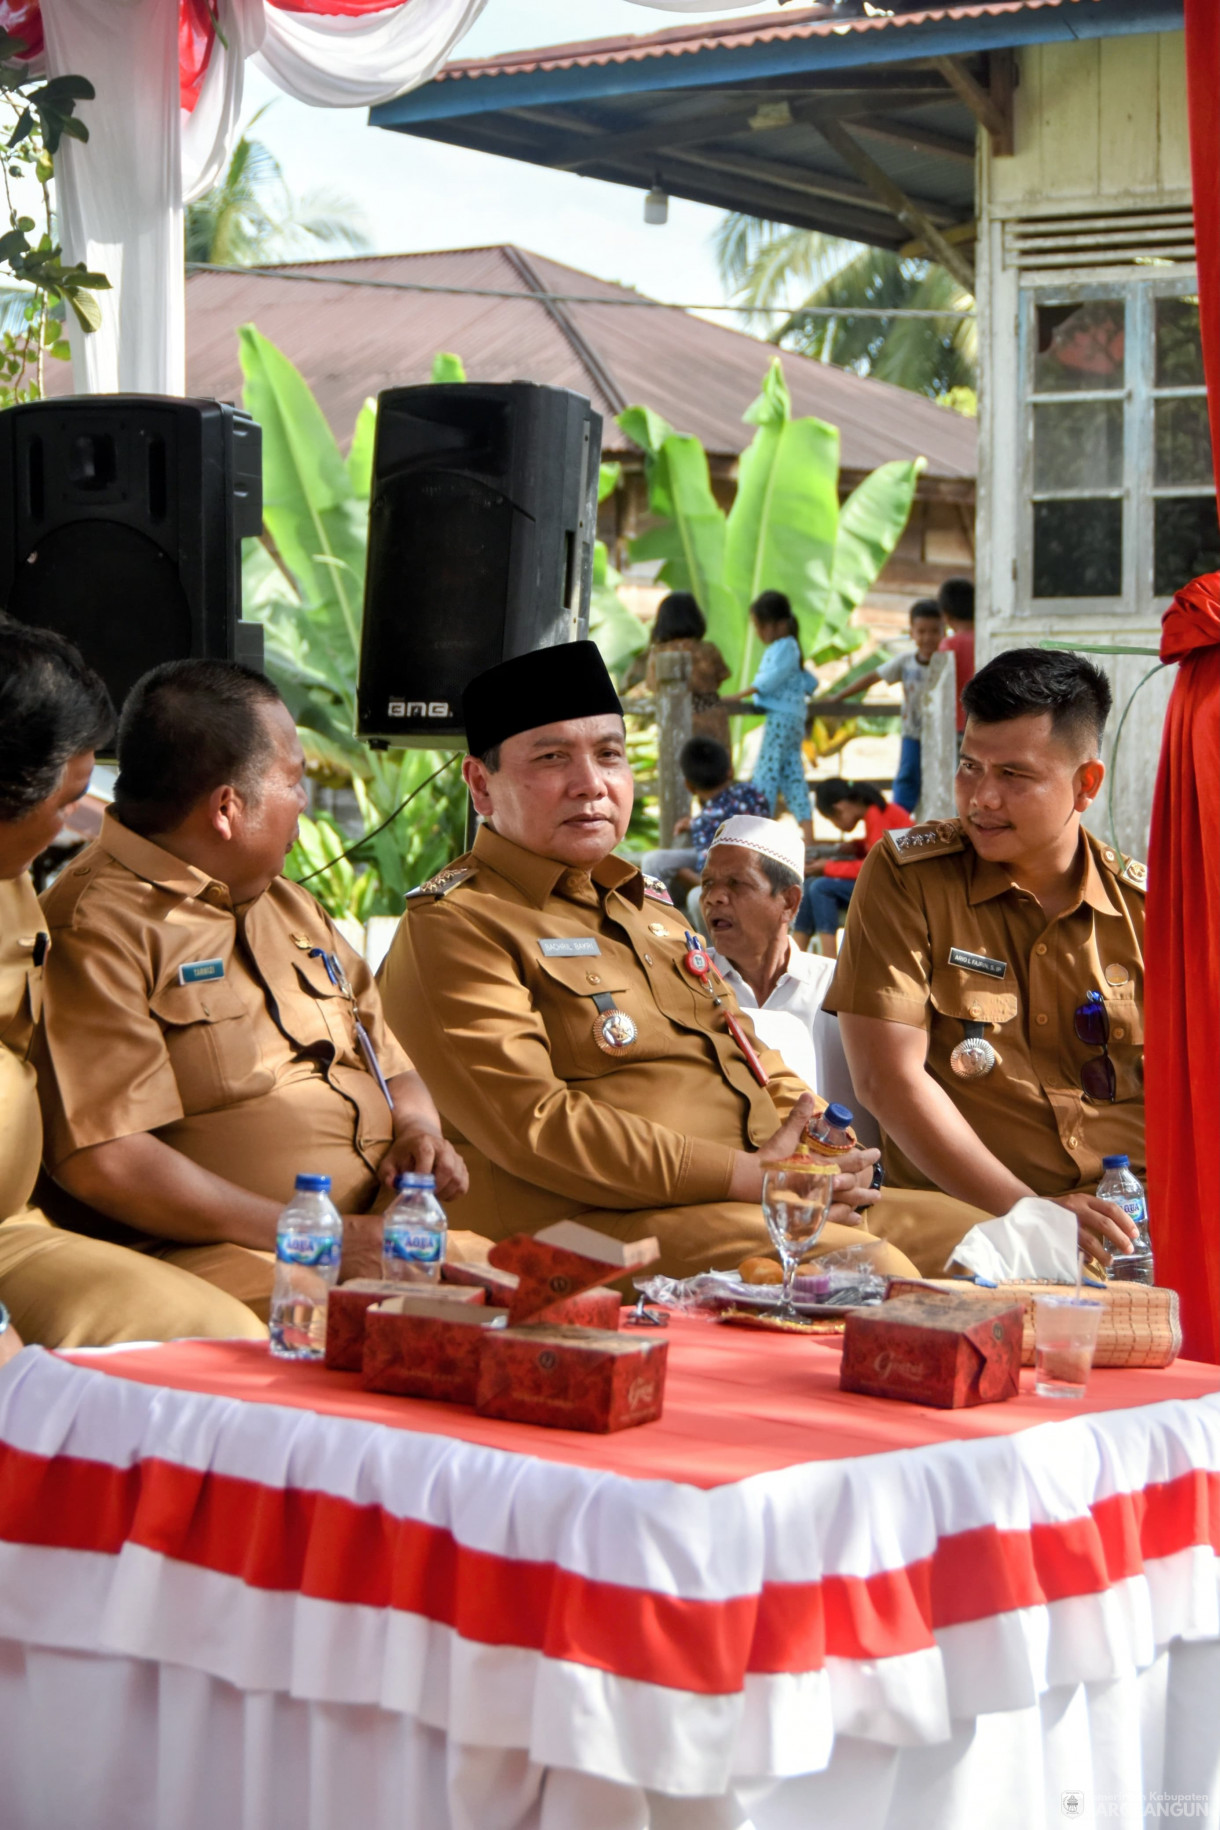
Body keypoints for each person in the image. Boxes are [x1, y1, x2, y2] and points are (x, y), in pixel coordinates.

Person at [375, 640, 938, 1282]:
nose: (591, 784)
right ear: (481, 784)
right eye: (553, 757)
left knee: (994, 1233)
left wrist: (825, 1147)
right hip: (583, 1224)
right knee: (868, 1268)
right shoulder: (457, 925)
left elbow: (746, 1054)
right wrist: (743, 1176)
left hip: (753, 1193)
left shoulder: (650, 908)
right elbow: (537, 1126)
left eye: (609, 754)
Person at [34, 658, 467, 1321]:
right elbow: (106, 1161)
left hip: (376, 1236)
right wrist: (317, 1236)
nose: (302, 802)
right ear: (227, 809)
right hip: (220, 1255)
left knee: (531, 1291)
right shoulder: (97, 927)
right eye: (294, 781)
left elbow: (390, 1064)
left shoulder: (290, 905)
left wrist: (418, 1132)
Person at [823, 646, 1145, 1276]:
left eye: (1015, 776)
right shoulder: (910, 879)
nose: (982, 798)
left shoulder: (1145, 910)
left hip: (1138, 1231)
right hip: (978, 1230)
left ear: (1086, 785)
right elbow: (887, 1081)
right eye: (970, 767)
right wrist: (1036, 1217)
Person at [0, 617, 266, 1349]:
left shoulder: (10, 878)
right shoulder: (97, 912)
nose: (69, 827)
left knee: (206, 1340)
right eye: (64, 802)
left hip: (12, 1232)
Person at [699, 815, 874, 1144]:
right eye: (708, 884)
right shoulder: (689, 980)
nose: (714, 898)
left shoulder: (840, 986)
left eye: (737, 884)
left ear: (789, 903)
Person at [812, 599, 945, 811]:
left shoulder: (947, 662)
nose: (927, 637)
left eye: (934, 631)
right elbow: (873, 676)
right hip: (913, 732)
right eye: (921, 631)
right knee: (908, 775)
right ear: (911, 633)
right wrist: (839, 696)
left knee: (942, 774)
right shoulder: (905, 661)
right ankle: (899, 818)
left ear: (944, 631)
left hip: (943, 734)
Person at [720, 590, 816, 844]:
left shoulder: (785, 647)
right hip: (791, 719)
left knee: (767, 771)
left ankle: (758, 833)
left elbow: (771, 678)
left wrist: (739, 695)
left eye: (761, 626)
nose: (759, 632)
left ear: (779, 625)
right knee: (791, 773)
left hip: (781, 719)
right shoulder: (789, 646)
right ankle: (809, 835)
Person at [640, 736, 768, 905]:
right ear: (730, 771)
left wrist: (681, 873)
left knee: (656, 864)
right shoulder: (752, 793)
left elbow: (708, 880)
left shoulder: (704, 825)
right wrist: (695, 821)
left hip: (735, 875)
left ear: (689, 786)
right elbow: (727, 813)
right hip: (755, 859)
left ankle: (658, 916)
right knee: (654, 860)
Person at [794, 779, 913, 956]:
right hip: (890, 882)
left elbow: (875, 867)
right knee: (810, 885)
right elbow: (876, 847)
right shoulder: (876, 812)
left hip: (898, 889)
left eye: (833, 819)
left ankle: (829, 961)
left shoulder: (876, 814)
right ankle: (796, 955)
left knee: (820, 887)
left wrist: (827, 866)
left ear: (840, 807)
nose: (836, 825)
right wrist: (856, 846)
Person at [643, 591, 731, 746]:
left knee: (676, 767)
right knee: (716, 767)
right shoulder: (708, 650)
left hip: (674, 721)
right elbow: (722, 676)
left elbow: (651, 685)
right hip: (712, 720)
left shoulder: (657, 653)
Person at [938, 577, 976, 739]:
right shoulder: (985, 641)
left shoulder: (948, 645)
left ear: (945, 614)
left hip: (957, 724)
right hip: (984, 722)